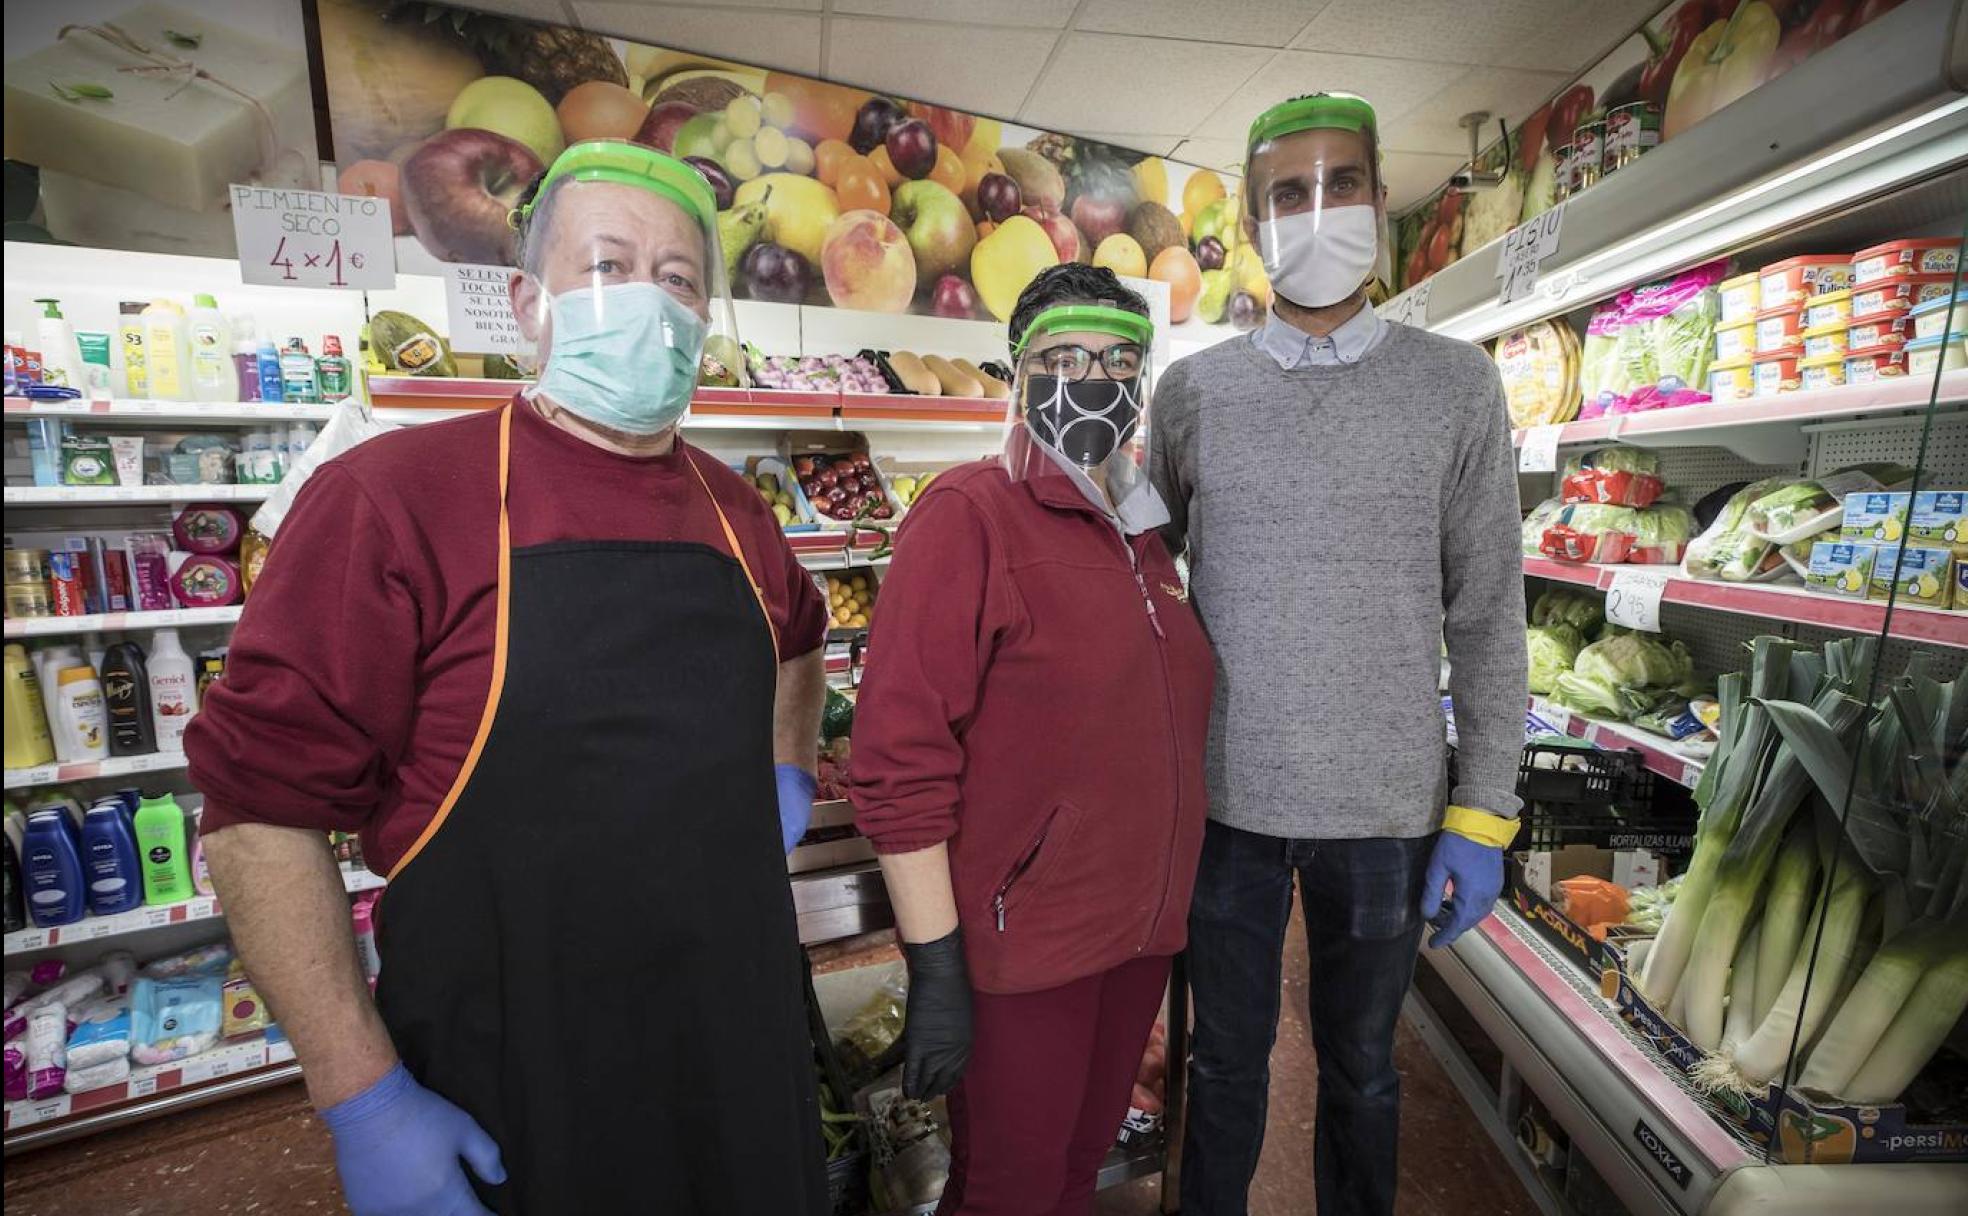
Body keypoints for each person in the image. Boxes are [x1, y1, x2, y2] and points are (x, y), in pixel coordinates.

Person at [186, 140, 832, 1215]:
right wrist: (363, 1097)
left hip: (737, 1043)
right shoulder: (392, 499)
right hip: (517, 1079)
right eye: (609, 266)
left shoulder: (738, 509)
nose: (650, 302)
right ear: (530, 303)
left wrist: (786, 772)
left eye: (678, 281)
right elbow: (258, 816)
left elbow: (803, 642)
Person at [1150, 94, 1527, 1216]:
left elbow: (1490, 614)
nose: (1318, 212)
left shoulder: (1458, 388)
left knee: (1364, 1072)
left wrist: (1485, 807)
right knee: (1223, 1063)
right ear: (1257, 224)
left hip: (1389, 808)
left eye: (1343, 184)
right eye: (1287, 193)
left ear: (1382, 199)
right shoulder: (1192, 394)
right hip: (1229, 801)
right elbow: (1133, 576)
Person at [849, 265, 1215, 1216]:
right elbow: (897, 758)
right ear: (1019, 375)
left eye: (1118, 358)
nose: (1093, 377)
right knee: (1007, 1190)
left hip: (1136, 936)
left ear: (1142, 381)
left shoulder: (1146, 538)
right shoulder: (968, 516)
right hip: (1023, 949)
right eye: (1062, 356)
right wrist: (935, 965)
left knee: (1075, 1168)